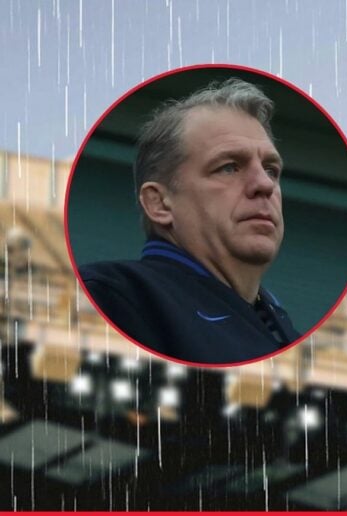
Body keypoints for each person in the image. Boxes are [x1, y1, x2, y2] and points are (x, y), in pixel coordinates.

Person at [79, 78, 300, 365]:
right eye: (229, 167)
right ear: (159, 203)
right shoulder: (109, 299)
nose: (264, 184)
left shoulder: (285, 330)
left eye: (271, 170)